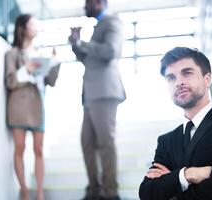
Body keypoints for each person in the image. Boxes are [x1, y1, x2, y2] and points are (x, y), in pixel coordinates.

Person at [139, 47, 212, 200]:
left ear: (207, 79)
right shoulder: (166, 141)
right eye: (171, 77)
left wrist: (172, 182)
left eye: (187, 73)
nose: (178, 82)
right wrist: (189, 174)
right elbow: (147, 193)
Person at [68, 0, 125, 200]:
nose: (85, 6)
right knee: (87, 142)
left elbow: (110, 52)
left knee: (105, 142)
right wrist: (76, 45)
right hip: (91, 94)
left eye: (88, 3)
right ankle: (94, 189)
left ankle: (110, 192)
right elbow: (90, 59)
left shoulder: (112, 22)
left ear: (99, 3)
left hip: (104, 92)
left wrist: (82, 43)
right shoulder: (98, 26)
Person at [5, 14, 60, 200]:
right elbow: (11, 81)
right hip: (19, 106)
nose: (36, 27)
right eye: (33, 24)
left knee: (39, 149)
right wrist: (26, 68)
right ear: (23, 28)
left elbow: (51, 82)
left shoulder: (39, 54)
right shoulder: (12, 54)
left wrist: (54, 62)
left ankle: (39, 193)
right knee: (19, 147)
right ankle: (24, 192)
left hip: (37, 105)